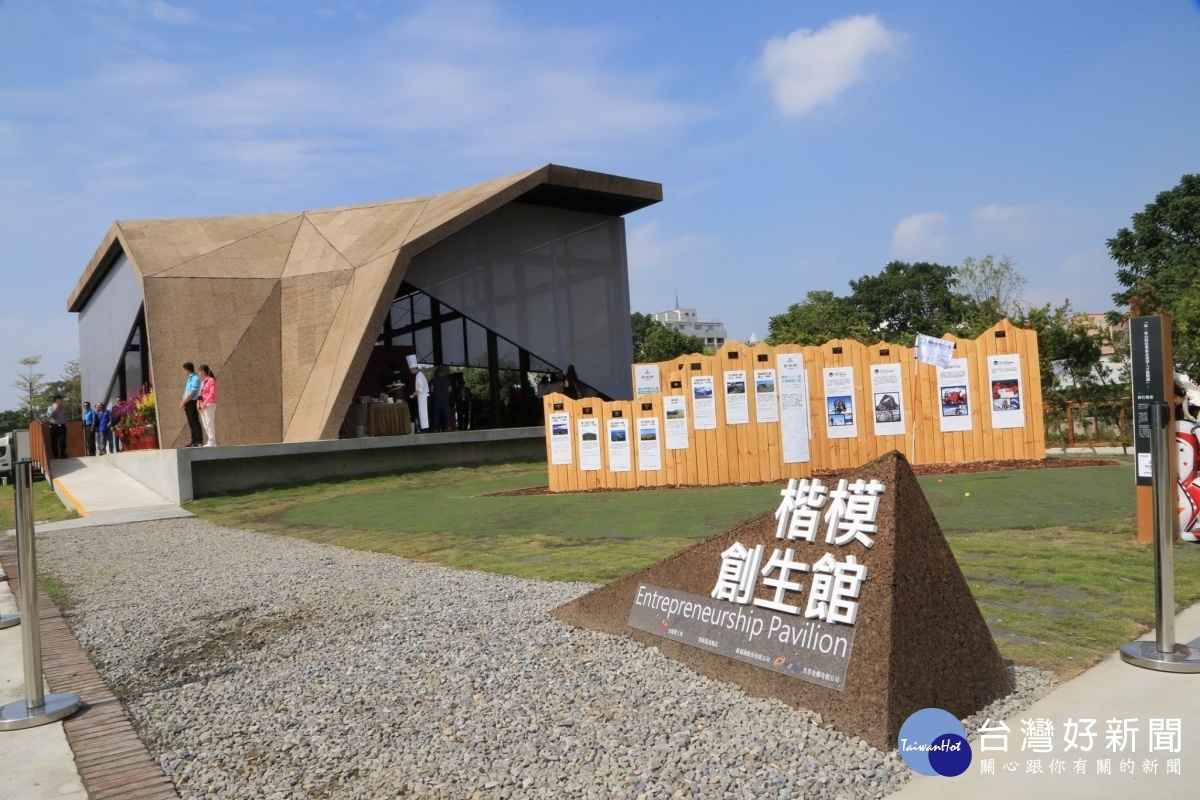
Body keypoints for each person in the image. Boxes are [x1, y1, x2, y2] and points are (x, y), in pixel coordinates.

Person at [180, 362, 203, 448]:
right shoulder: (189, 379)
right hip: (187, 402)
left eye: (184, 370)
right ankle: (194, 441)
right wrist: (183, 402)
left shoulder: (195, 378)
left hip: (192, 401)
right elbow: (186, 392)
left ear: (187, 370)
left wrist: (183, 402)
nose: (184, 372)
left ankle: (199, 441)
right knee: (190, 422)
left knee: (195, 422)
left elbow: (192, 393)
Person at [197, 364, 218, 447]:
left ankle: (212, 441)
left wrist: (205, 403)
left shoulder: (211, 380)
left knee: (209, 423)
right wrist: (198, 403)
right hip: (202, 405)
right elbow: (200, 393)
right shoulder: (203, 382)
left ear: (203, 371)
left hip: (209, 404)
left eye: (199, 371)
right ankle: (210, 440)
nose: (199, 373)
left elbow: (212, 393)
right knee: (205, 424)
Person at [408, 354, 429, 432]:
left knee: (423, 413)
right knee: (422, 413)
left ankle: (424, 429)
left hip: (422, 396)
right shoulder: (420, 374)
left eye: (411, 370)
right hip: (422, 396)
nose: (410, 371)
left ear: (414, 368)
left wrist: (415, 393)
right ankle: (424, 428)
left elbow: (420, 386)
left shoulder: (419, 376)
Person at [45, 394, 68, 458]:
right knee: (54, 441)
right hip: (54, 426)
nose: (62, 400)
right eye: (60, 399)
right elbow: (50, 415)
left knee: (62, 441)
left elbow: (65, 416)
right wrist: (56, 407)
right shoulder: (51, 407)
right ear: (56, 400)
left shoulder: (63, 407)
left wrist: (66, 424)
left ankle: (63, 455)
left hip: (62, 426)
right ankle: (56, 456)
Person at [430, 366, 452, 433]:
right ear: (443, 372)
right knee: (446, 413)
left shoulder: (433, 380)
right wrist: (445, 393)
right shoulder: (447, 380)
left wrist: (436, 393)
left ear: (437, 373)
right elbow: (450, 389)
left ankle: (435, 428)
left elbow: (431, 390)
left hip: (437, 398)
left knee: (436, 413)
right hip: (445, 398)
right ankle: (448, 427)